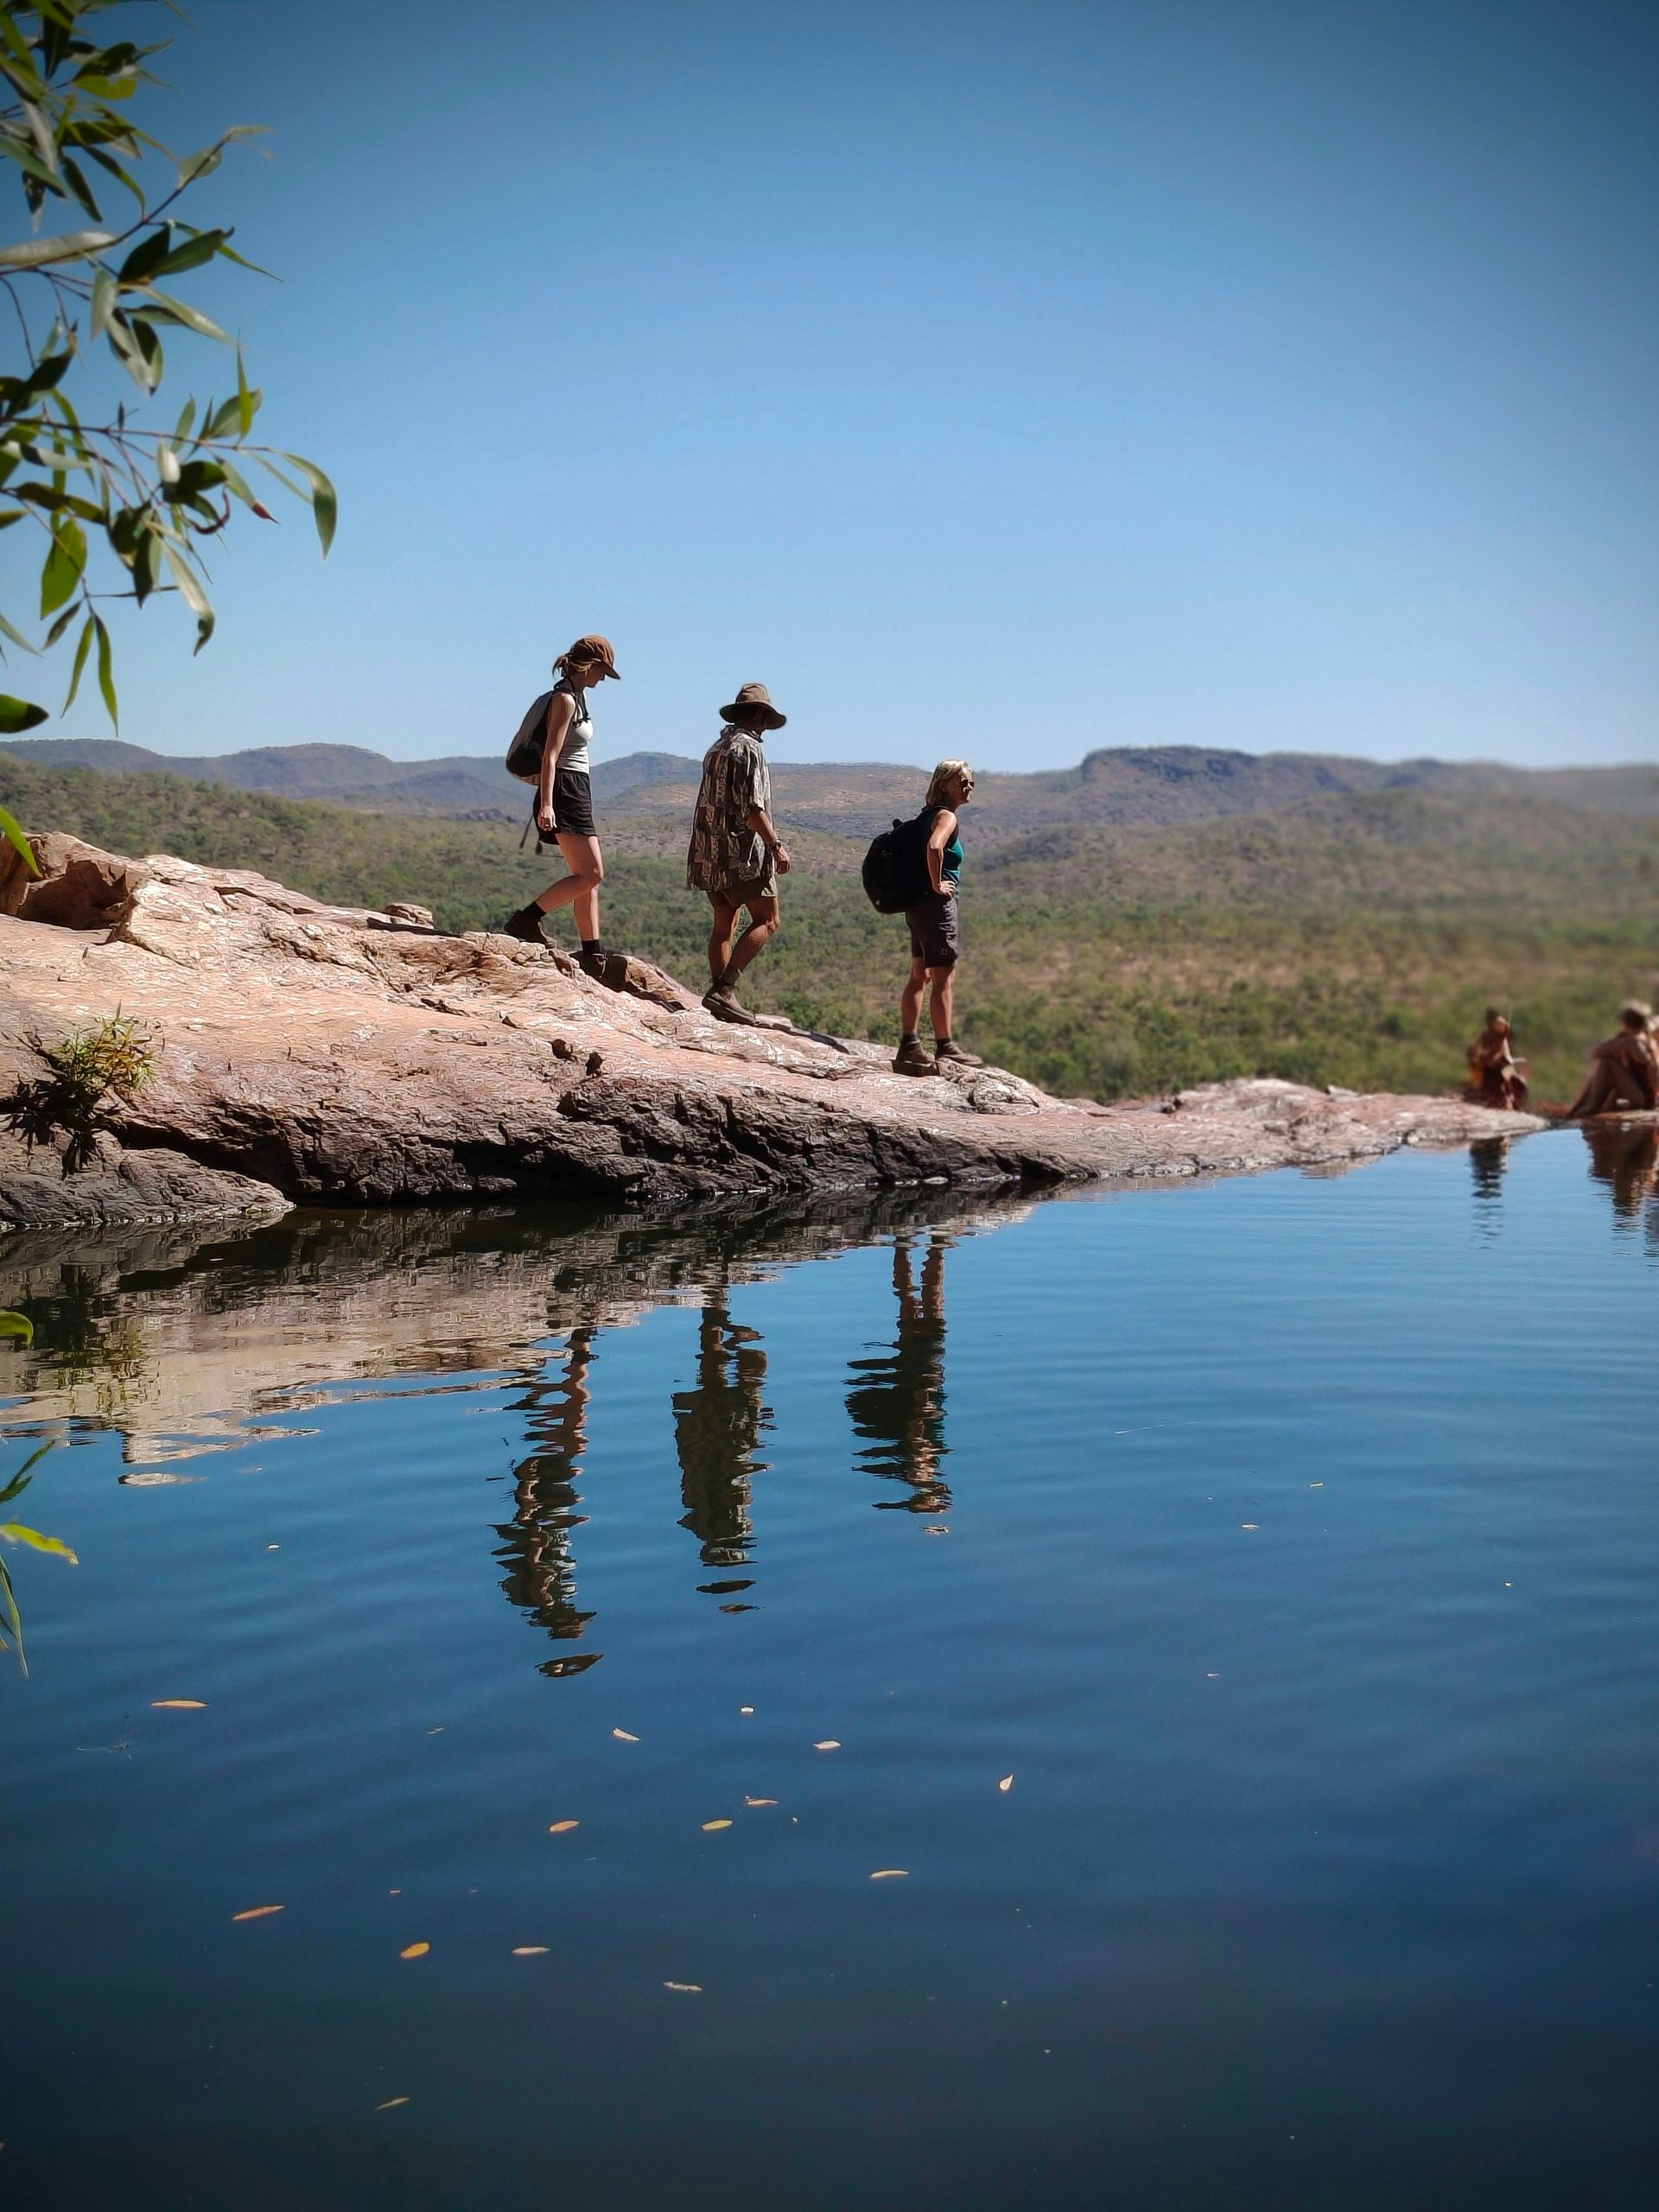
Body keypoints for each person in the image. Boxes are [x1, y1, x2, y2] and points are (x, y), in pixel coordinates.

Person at [502, 634, 620, 977]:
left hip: (577, 787)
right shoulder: (565, 700)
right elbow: (551, 756)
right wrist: (548, 804)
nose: (603, 678)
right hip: (564, 789)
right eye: (602, 670)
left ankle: (591, 953)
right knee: (592, 873)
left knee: (585, 877)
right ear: (590, 665)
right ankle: (526, 920)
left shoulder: (579, 698)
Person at [685, 683, 792, 1022]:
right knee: (767, 920)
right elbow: (752, 808)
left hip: (708, 850)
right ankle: (725, 990)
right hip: (741, 854)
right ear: (761, 715)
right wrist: (775, 845)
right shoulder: (750, 750)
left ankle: (721, 999)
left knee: (723, 925)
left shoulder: (717, 748)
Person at [893, 760, 983, 1077]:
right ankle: (945, 1046)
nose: (968, 787)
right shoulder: (946, 816)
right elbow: (935, 847)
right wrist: (937, 884)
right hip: (936, 905)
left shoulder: (925, 816)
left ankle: (909, 1046)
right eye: (963, 781)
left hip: (917, 906)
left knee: (919, 974)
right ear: (945, 784)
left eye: (971, 782)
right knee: (944, 977)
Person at [1565, 1001, 1659, 1117]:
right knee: (1609, 1083)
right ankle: (1580, 1106)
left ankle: (1592, 1105)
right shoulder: (1644, 1037)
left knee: (1607, 1062)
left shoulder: (1631, 1042)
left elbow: (1595, 1052)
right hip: (1646, 1094)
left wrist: (1618, 1038)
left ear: (1624, 1022)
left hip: (1643, 1098)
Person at [1463, 1008, 1529, 1110]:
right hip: (1491, 1065)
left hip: (1502, 1062)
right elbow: (1480, 1050)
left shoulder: (1501, 1036)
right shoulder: (1486, 1035)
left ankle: (1510, 1098)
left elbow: (1503, 1050)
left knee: (1506, 1075)